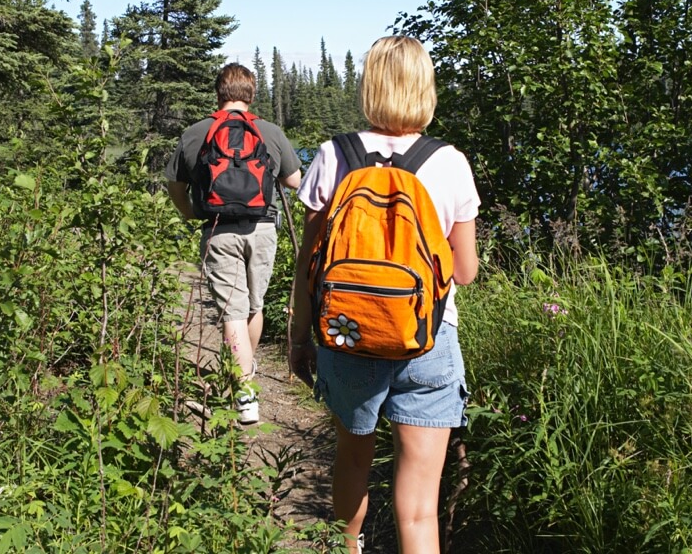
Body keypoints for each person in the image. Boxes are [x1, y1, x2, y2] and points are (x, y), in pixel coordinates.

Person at [288, 36, 480, 554]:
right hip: (429, 339)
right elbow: (464, 272)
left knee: (352, 461)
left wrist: (299, 337)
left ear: (369, 86)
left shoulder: (333, 155)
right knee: (419, 507)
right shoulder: (450, 162)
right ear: (426, 89)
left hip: (348, 337)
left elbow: (310, 263)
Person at [166, 63, 302, 425]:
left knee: (232, 312)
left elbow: (175, 186)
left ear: (218, 94)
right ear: (252, 94)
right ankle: (246, 371)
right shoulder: (269, 131)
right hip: (262, 230)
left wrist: (191, 214)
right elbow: (294, 181)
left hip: (217, 231)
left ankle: (243, 394)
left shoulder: (196, 133)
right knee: (253, 307)